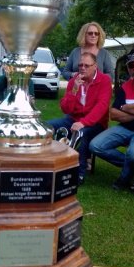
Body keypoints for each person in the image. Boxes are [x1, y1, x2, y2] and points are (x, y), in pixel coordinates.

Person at [89, 53, 134, 190]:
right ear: (128, 69)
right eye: (131, 66)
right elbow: (113, 114)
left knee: (133, 155)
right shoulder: (125, 86)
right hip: (124, 128)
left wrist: (125, 107)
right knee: (95, 145)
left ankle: (123, 180)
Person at [48, 52, 112, 184]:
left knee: (81, 133)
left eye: (86, 65)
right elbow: (66, 109)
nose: (82, 68)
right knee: (48, 127)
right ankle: (50, 163)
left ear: (95, 66)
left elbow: (102, 106)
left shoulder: (104, 80)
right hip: (73, 118)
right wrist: (74, 89)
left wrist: (84, 123)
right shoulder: (74, 81)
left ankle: (79, 173)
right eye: (80, 65)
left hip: (96, 123)